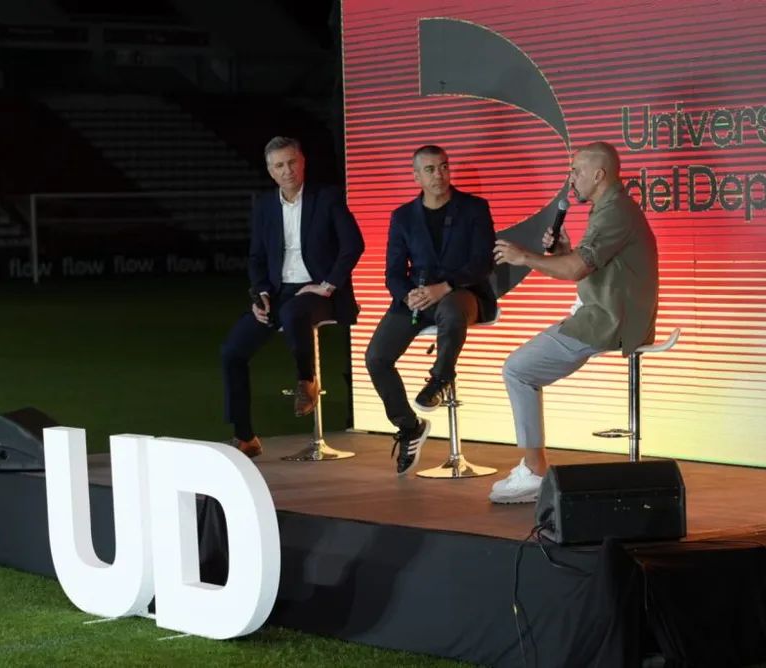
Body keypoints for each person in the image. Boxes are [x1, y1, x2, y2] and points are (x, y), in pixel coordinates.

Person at [489, 141, 659, 503]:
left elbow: (578, 269)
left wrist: (525, 257)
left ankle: (534, 472)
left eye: (576, 171)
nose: (571, 179)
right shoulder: (609, 208)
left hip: (610, 321)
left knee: (518, 369)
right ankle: (533, 468)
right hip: (602, 312)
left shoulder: (615, 212)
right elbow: (581, 268)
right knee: (520, 368)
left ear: (599, 174)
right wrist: (565, 250)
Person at [221, 136, 364, 458]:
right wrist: (259, 295)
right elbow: (256, 257)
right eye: (279, 165)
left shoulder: (326, 198)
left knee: (294, 313)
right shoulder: (264, 206)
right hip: (278, 293)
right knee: (232, 352)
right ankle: (245, 436)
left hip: (320, 291)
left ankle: (306, 381)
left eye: (292, 162)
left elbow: (353, 245)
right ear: (270, 171)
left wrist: (328, 284)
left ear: (303, 163)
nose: (287, 170)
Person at [365, 145, 497, 476]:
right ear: (416, 176)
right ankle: (409, 426)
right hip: (417, 298)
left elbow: (483, 262)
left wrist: (446, 285)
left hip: (462, 292)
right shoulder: (403, 216)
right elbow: (393, 271)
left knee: (452, 312)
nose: (438, 175)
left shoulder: (474, 209)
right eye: (430, 169)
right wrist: (407, 294)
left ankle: (439, 380)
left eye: (443, 167)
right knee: (376, 358)